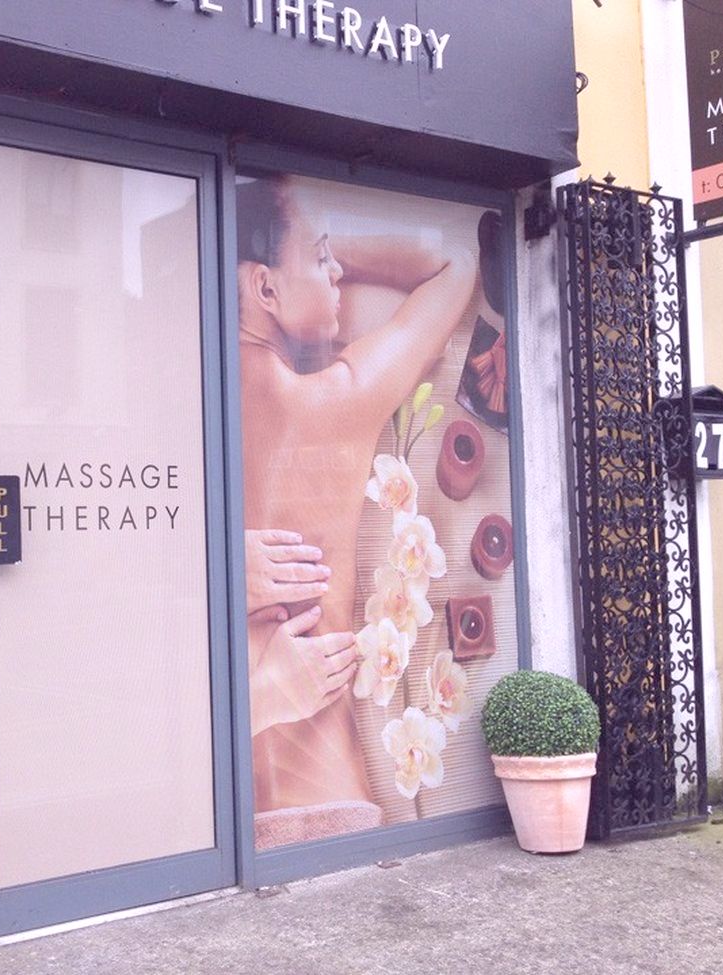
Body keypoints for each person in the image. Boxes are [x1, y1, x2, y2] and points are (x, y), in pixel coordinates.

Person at [237, 175, 478, 847]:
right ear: (264, 289)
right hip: (325, 797)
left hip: (213, 817)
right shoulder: (329, 406)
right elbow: (454, 264)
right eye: (322, 258)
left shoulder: (181, 412)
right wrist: (334, 240)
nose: (338, 272)